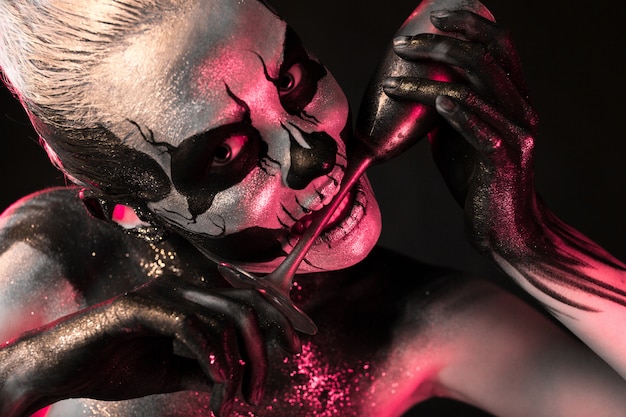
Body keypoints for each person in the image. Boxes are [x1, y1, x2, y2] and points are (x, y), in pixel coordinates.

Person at [0, 1, 624, 416]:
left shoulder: (410, 319)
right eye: (226, 152)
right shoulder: (52, 260)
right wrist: (25, 375)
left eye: (293, 83)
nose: (313, 154)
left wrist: (531, 243)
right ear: (123, 208)